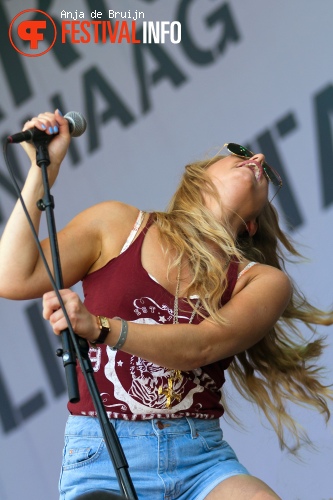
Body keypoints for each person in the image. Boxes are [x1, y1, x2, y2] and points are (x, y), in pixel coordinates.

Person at [0, 110, 332, 500]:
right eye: (242, 153)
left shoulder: (261, 281)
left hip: (201, 463)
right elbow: (13, 277)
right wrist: (44, 171)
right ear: (199, 175)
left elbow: (202, 346)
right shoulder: (116, 225)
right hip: (104, 455)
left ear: (253, 224)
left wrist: (100, 327)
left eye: (267, 169)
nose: (257, 159)